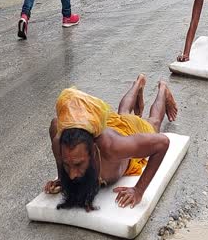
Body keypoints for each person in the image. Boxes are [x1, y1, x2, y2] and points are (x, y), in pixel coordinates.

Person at [44, 75, 178, 211]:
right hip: (106, 123)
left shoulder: (113, 147)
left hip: (128, 130)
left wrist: (138, 190)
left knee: (153, 123)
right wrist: (62, 178)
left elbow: (162, 143)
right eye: (67, 165)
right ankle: (138, 82)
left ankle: (163, 89)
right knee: (123, 113)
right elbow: (54, 124)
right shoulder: (59, 143)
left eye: (78, 164)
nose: (72, 175)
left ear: (94, 150)